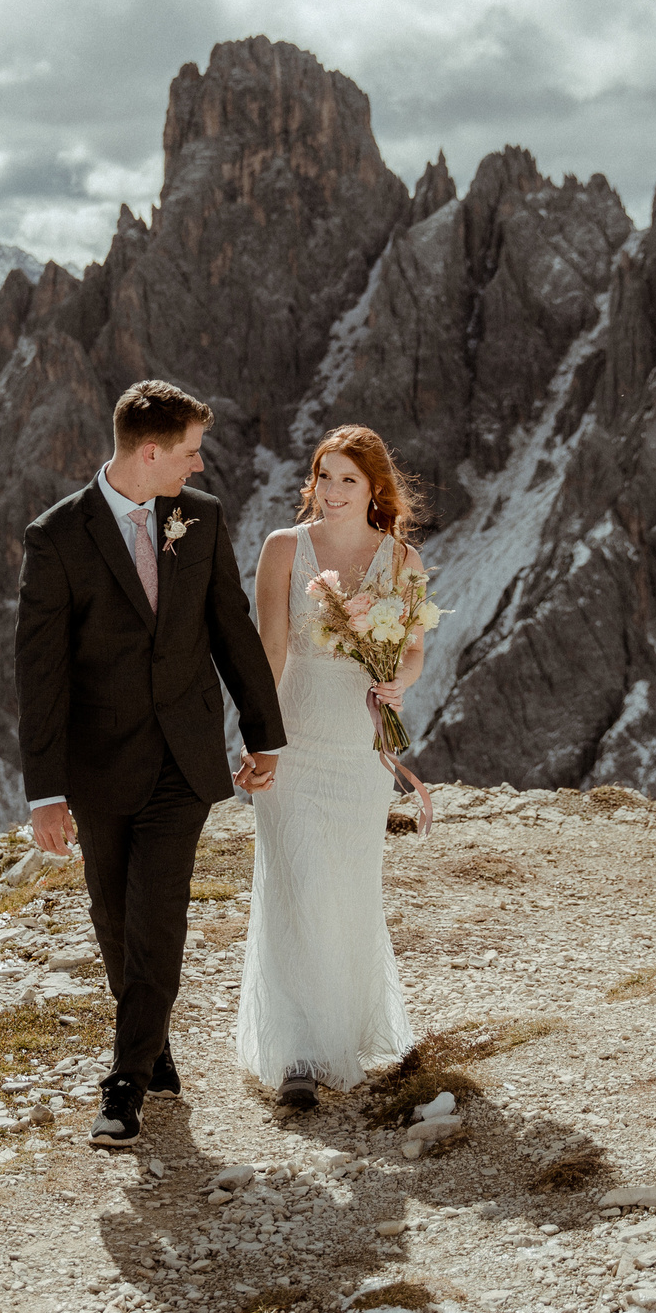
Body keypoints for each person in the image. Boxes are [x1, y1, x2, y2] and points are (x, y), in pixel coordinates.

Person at [16, 380, 287, 1148]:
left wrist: (263, 733)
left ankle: (125, 1080)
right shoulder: (57, 536)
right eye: (191, 452)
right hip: (100, 766)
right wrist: (47, 792)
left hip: (183, 757)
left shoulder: (198, 519)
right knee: (115, 916)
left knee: (159, 908)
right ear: (149, 452)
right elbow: (40, 673)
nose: (199, 467)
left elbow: (229, 627)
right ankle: (154, 1042)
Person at [236, 425, 424, 1111]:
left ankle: (347, 1027)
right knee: (297, 883)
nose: (334, 490)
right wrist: (261, 739)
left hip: (360, 743)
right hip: (295, 736)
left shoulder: (401, 558)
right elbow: (272, 648)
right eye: (324, 475)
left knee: (346, 883)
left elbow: (411, 650)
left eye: (349, 478)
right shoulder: (283, 549)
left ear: (375, 487)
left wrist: (399, 684)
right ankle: (298, 1056)